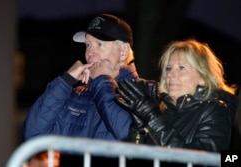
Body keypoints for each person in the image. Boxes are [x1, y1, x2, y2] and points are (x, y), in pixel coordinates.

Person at [23, 13, 140, 141]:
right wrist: (65, 81)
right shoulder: (76, 95)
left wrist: (101, 80)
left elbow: (128, 135)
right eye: (87, 45)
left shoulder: (145, 92)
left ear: (123, 52)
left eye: (99, 45)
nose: (89, 53)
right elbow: (33, 133)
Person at [116, 38, 238, 152]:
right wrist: (139, 130)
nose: (170, 74)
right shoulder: (163, 109)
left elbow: (200, 160)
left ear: (203, 77)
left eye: (181, 68)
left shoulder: (215, 111)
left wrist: (153, 118)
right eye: (168, 68)